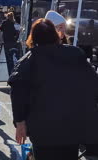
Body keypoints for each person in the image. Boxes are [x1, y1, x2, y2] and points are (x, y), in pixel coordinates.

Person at [9, 19, 98, 160]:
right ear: (55, 34)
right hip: (72, 128)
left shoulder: (29, 60)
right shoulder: (76, 54)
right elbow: (93, 85)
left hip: (43, 130)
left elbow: (18, 92)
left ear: (34, 37)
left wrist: (20, 122)